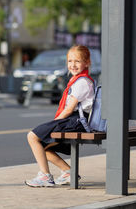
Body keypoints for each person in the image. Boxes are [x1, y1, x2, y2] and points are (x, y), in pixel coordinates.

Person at [25, 45, 95, 187]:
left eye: (77, 61)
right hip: (73, 121)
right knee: (43, 146)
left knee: (32, 136)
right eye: (70, 61)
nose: (73, 65)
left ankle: (45, 176)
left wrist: (54, 122)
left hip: (75, 121)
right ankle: (68, 172)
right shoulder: (76, 81)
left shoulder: (83, 82)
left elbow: (69, 109)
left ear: (87, 63)